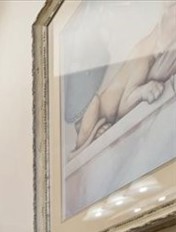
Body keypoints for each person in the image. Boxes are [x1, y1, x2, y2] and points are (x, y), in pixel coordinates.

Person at [71, 2, 176, 155]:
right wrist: (143, 91)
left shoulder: (146, 53)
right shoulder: (142, 59)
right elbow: (123, 107)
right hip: (99, 113)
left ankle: (93, 134)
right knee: (93, 101)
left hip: (106, 118)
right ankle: (85, 142)